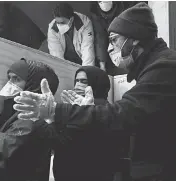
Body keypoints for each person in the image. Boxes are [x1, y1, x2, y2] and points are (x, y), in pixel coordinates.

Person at [13, 3, 176, 181]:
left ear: (134, 39)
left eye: (114, 40)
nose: (109, 48)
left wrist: (56, 111)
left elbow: (124, 116)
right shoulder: (153, 68)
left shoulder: (164, 67)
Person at [53, 66, 128, 181]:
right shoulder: (74, 107)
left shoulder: (107, 111)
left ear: (96, 82)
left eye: (84, 81)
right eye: (76, 81)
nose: (78, 85)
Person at [90, 1, 127, 75]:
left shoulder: (124, 7)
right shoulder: (95, 13)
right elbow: (100, 38)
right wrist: (102, 65)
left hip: (123, 43)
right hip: (107, 52)